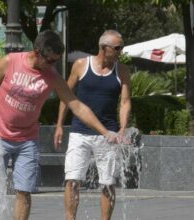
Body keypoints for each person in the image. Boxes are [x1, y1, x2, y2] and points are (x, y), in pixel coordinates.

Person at [0, 30, 120, 220]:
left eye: (56, 61)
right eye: (49, 60)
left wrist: (105, 132)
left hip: (27, 141)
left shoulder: (52, 76)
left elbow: (77, 106)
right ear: (36, 52)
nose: (52, 65)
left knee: (24, 192)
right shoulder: (10, 62)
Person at [53, 30, 131, 220]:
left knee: (108, 182)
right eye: (118, 47)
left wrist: (122, 128)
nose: (121, 51)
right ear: (105, 48)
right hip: (80, 132)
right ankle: (70, 218)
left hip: (109, 134)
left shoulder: (122, 71)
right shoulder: (81, 65)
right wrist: (59, 125)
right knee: (72, 179)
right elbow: (66, 95)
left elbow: (125, 101)